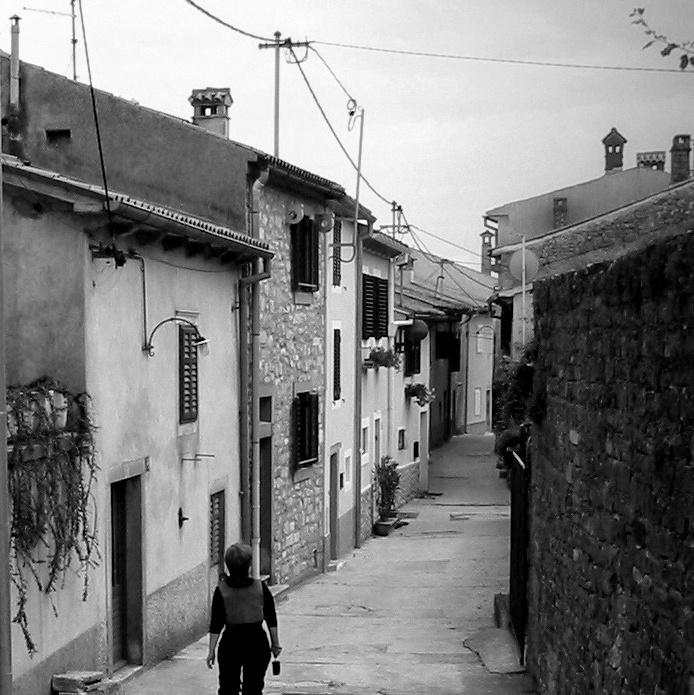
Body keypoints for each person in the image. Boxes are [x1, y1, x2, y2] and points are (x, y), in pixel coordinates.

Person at [206, 543, 282, 695]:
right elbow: (271, 618)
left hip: (231, 643)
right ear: (249, 565)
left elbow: (216, 624)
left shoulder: (221, 590)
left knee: (228, 688)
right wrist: (275, 643)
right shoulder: (260, 588)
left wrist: (211, 650)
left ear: (228, 566)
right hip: (257, 642)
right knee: (253, 688)